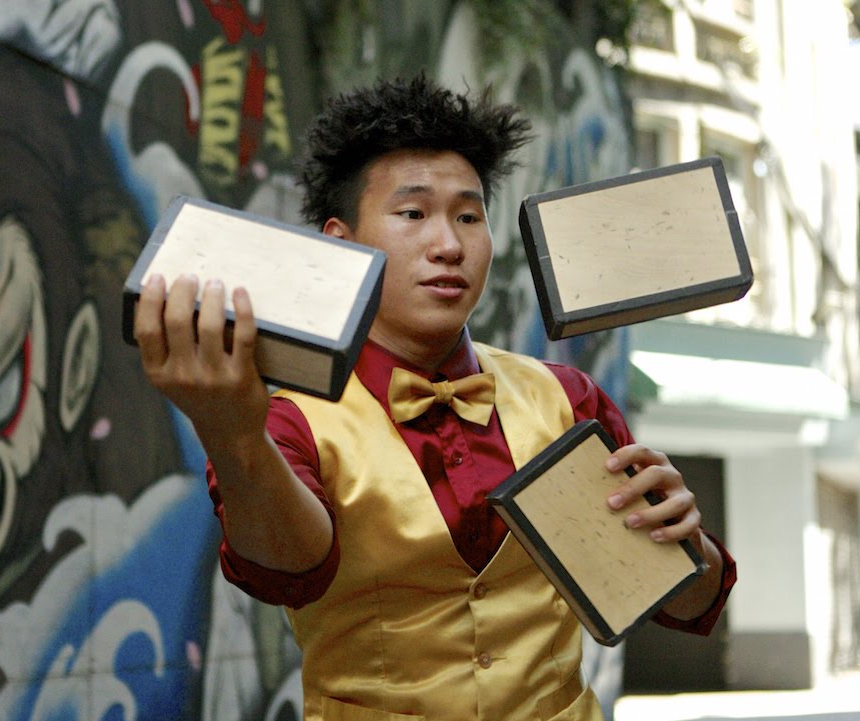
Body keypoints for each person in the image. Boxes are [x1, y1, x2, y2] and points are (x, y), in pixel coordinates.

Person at [133, 75, 736, 721]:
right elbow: (284, 572)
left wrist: (686, 544)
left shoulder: (568, 399)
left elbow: (682, 603)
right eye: (413, 213)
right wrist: (232, 436)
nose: (448, 244)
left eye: (469, 216)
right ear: (341, 243)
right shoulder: (287, 421)